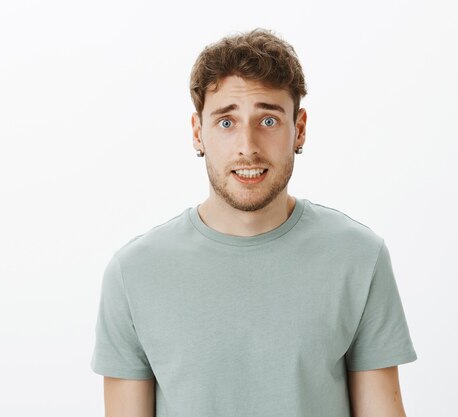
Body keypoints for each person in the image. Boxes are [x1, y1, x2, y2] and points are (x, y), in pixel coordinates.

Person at [90, 28, 417, 417]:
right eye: (226, 123)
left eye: (268, 121)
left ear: (299, 128)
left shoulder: (359, 257)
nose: (247, 146)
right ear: (198, 133)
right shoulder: (134, 273)